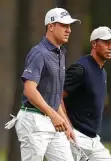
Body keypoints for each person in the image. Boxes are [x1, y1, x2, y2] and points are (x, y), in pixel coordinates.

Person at [6, 8, 81, 161]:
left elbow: (55, 95)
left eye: (69, 26)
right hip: (33, 120)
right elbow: (29, 90)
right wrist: (54, 116)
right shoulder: (39, 53)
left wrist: (66, 123)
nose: (69, 30)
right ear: (51, 26)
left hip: (52, 121)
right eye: (64, 25)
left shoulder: (60, 54)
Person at [63, 26, 111, 161]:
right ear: (94, 44)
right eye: (106, 43)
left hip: (93, 139)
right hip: (75, 136)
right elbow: (57, 97)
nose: (110, 47)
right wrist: (67, 126)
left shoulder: (102, 72)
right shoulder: (80, 69)